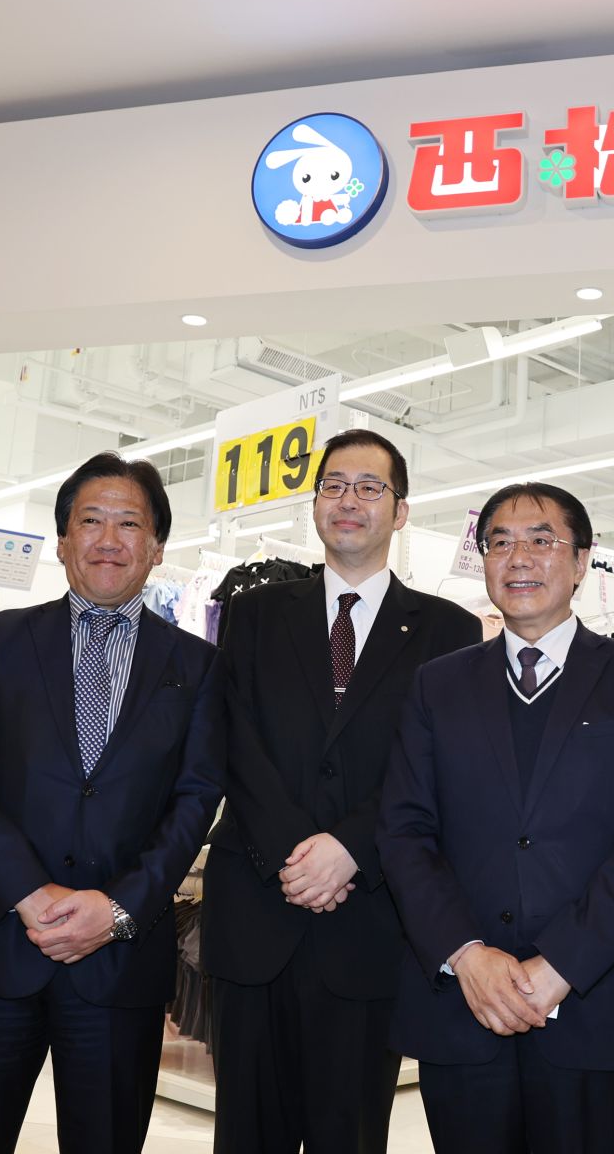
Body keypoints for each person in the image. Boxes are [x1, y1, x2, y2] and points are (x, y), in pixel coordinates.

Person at [0, 452, 226, 1154]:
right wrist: (28, 894)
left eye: (129, 524)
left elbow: (195, 797)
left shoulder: (198, 666)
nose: (108, 540)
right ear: (62, 541)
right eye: (91, 521)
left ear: (156, 548)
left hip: (120, 964)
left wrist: (116, 909)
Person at [377, 481, 614, 1153]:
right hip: (464, 1004)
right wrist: (465, 955)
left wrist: (560, 966)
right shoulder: (438, 684)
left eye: (542, 540)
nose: (518, 557)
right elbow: (405, 830)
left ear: (581, 561)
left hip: (599, 1004)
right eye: (500, 543)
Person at [204, 429, 481, 1154]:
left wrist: (351, 848)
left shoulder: (449, 632)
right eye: (333, 485)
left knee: (351, 1134)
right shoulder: (255, 613)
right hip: (257, 910)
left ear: (401, 510)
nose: (348, 500)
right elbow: (232, 741)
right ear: (316, 505)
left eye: (369, 487)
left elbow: (439, 768)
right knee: (245, 1134)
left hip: (370, 922)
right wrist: (296, 853)